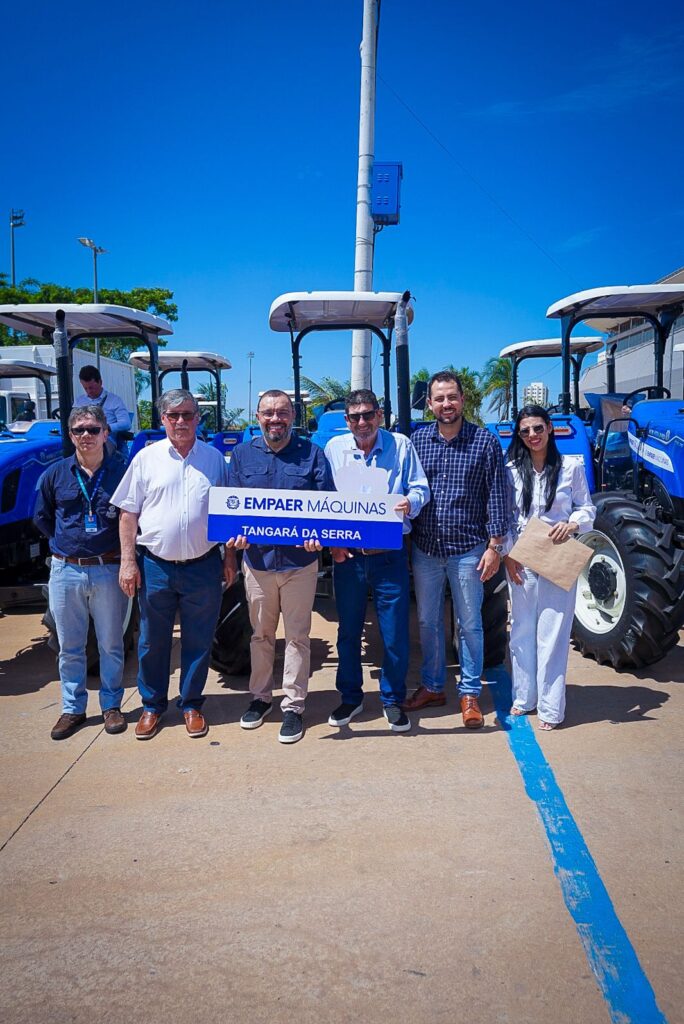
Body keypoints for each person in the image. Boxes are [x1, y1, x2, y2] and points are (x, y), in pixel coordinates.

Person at [112, 389, 234, 740]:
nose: (181, 421)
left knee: (199, 639)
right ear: (163, 419)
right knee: (152, 640)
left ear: (198, 418)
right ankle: (152, 706)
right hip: (156, 566)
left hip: (203, 565)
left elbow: (227, 512)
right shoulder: (145, 459)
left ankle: (191, 704)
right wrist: (127, 562)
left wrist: (229, 557)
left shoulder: (214, 460)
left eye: (188, 414)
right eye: (174, 415)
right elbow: (128, 513)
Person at [228, 390, 334, 745]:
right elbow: (231, 506)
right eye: (269, 413)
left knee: (298, 637)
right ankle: (260, 698)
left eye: (283, 412)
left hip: (299, 563)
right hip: (257, 562)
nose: (276, 419)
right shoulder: (241, 455)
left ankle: (293, 706)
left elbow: (327, 504)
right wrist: (234, 535)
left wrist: (319, 537)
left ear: (293, 416)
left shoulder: (312, 454)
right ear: (258, 417)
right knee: (260, 635)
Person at [405, 371, 509, 729]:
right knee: (427, 621)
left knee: (470, 624)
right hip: (426, 549)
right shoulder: (418, 441)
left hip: (468, 550)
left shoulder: (485, 442)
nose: (446, 404)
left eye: (452, 397)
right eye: (439, 398)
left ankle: (469, 693)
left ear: (462, 400)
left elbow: (498, 495)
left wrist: (495, 546)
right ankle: (434, 686)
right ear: (429, 404)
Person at [324, 389, 430, 733]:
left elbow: (421, 488)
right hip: (348, 557)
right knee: (348, 631)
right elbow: (323, 498)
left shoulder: (401, 445)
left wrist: (410, 502)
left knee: (395, 632)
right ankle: (350, 698)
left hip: (389, 555)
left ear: (379, 415)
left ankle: (392, 699)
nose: (362, 422)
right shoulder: (334, 449)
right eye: (355, 417)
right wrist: (332, 545)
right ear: (346, 421)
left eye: (368, 414)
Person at [33, 405, 129, 740]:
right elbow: (42, 517)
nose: (86, 435)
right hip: (66, 571)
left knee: (111, 644)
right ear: (70, 435)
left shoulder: (122, 471)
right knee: (69, 646)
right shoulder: (55, 474)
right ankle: (73, 708)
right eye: (78, 430)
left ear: (105, 433)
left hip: (108, 568)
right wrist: (66, 547)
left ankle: (111, 705)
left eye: (92, 429)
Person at [504, 405, 596, 730]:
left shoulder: (571, 467)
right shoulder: (511, 470)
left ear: (550, 428)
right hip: (522, 554)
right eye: (526, 430)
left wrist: (572, 524)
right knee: (521, 630)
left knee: (553, 633)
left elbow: (587, 507)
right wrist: (508, 554)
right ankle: (524, 697)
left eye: (538, 428)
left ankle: (550, 708)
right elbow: (505, 516)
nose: (533, 435)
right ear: (519, 435)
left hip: (558, 554)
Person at [74, 365, 132, 447]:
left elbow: (126, 424)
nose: (89, 391)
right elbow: (73, 421)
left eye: (91, 388)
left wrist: (105, 428)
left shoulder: (114, 400)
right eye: (85, 388)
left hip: (107, 439)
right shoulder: (79, 401)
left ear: (100, 382)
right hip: (83, 437)